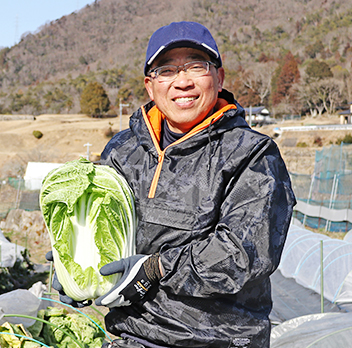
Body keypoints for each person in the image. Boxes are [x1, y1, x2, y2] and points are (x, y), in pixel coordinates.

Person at [50, 21, 296, 348]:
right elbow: (102, 227)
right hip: (132, 337)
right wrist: (81, 268)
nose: (182, 82)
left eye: (196, 66)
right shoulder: (124, 151)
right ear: (150, 86)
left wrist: (157, 267)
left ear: (219, 77)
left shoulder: (252, 155)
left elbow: (242, 253)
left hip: (219, 340)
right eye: (166, 70)